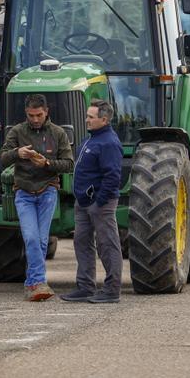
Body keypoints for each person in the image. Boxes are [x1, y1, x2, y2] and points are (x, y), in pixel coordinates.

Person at [0, 94, 75, 301]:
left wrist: (47, 164)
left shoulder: (58, 133)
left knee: (41, 240)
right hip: (23, 192)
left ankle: (34, 283)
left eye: (38, 115)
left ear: (46, 111)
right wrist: (17, 153)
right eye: (31, 115)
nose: (35, 119)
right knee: (31, 238)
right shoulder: (17, 132)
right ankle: (37, 283)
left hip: (48, 190)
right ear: (26, 113)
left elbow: (69, 164)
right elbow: (3, 159)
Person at [61, 99, 124, 304]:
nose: (86, 120)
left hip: (100, 204)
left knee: (107, 245)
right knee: (82, 242)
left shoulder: (109, 143)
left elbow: (113, 176)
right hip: (83, 203)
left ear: (104, 120)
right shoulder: (90, 140)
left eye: (90, 117)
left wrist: (99, 201)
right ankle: (85, 286)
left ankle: (112, 290)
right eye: (87, 116)